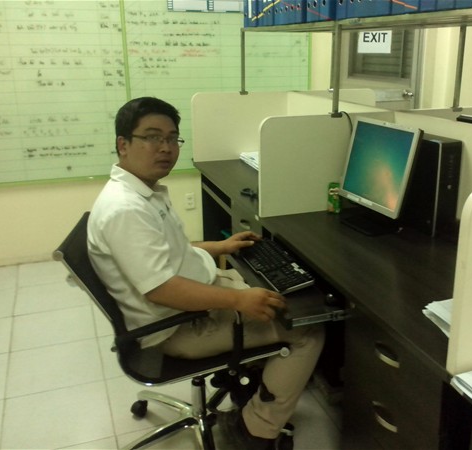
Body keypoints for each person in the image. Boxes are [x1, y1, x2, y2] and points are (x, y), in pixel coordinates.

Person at [87, 97, 325, 450]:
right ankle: (255, 431)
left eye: (172, 138)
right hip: (177, 326)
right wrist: (238, 300)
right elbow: (162, 289)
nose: (165, 148)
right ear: (123, 144)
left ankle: (251, 385)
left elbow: (167, 252)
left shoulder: (142, 191)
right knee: (308, 328)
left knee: (277, 292)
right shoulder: (125, 210)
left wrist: (218, 246)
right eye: (152, 137)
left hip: (191, 300)